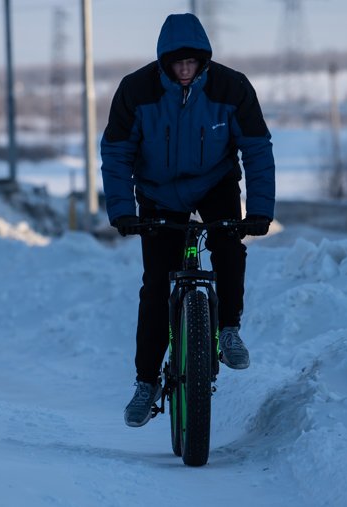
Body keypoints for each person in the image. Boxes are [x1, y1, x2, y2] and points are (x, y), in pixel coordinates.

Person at [100, 13, 276, 428]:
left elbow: (256, 149)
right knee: (156, 283)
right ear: (164, 61)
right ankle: (146, 383)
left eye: (191, 62)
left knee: (229, 245)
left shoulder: (231, 88)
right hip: (159, 192)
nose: (184, 70)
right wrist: (123, 211)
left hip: (214, 182)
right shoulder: (135, 91)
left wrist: (261, 211)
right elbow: (116, 153)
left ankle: (229, 328)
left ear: (203, 60)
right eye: (176, 62)